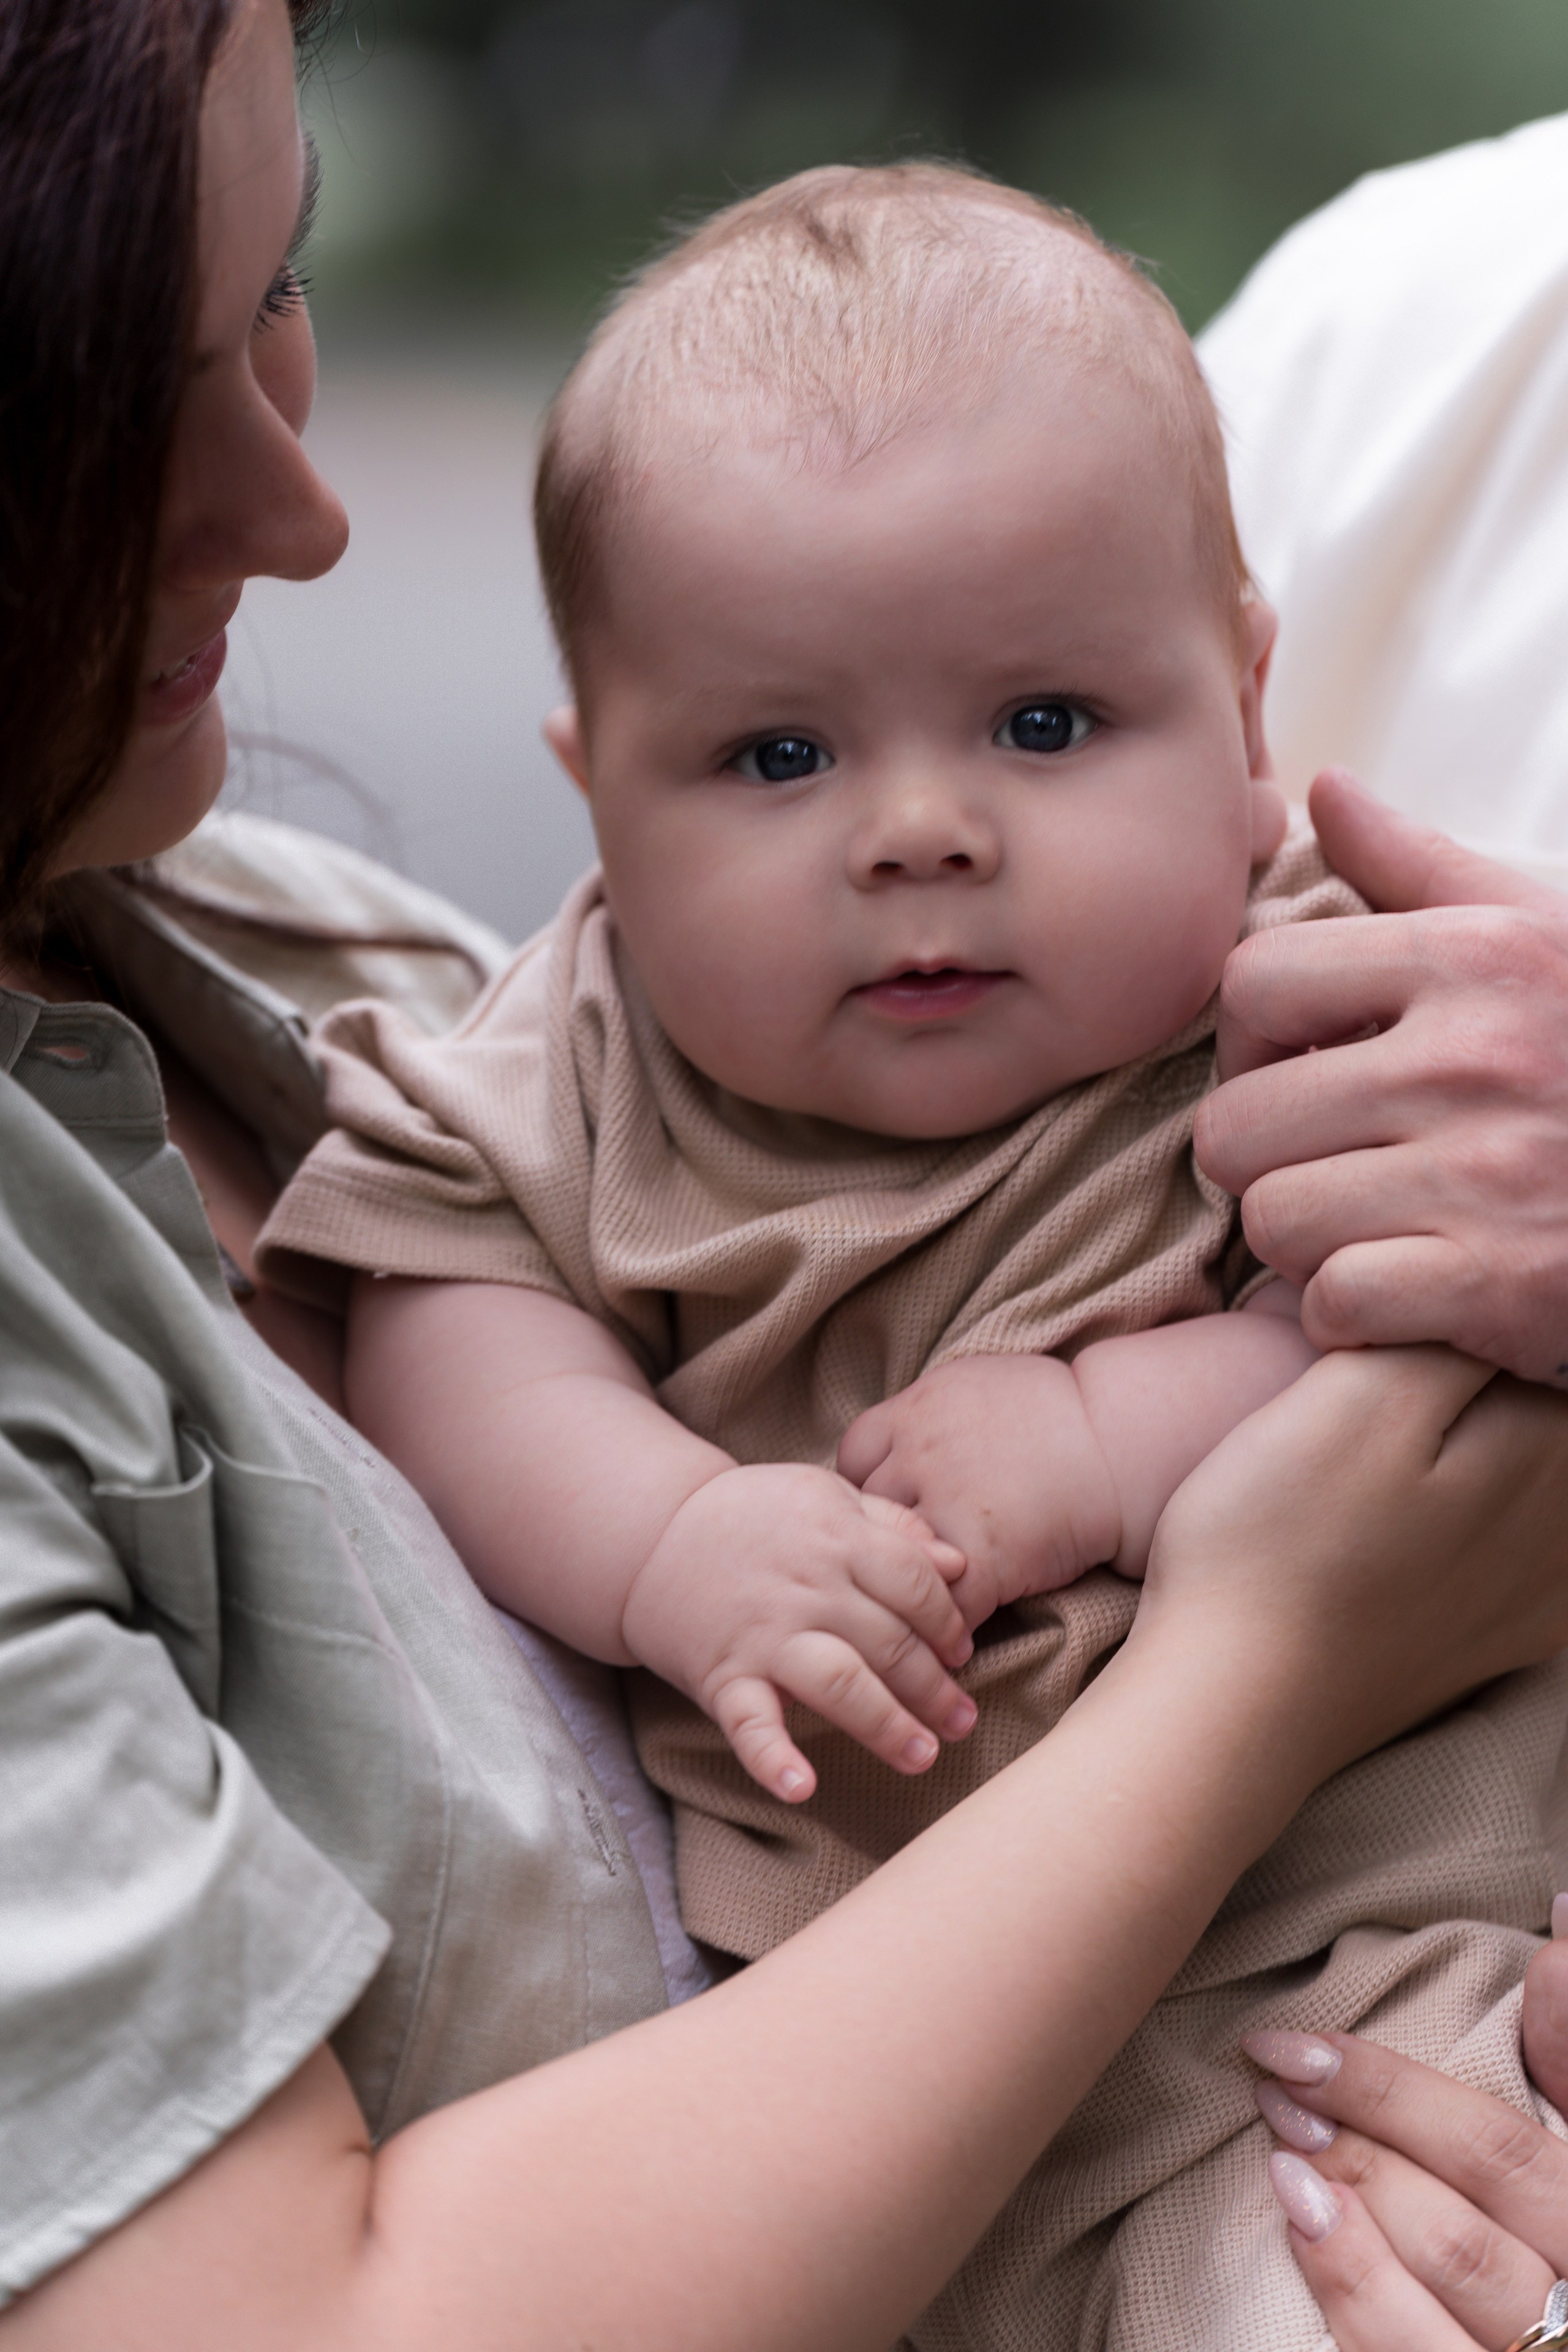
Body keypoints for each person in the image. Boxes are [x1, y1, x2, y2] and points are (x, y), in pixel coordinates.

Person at [3, 9, 1568, 2349]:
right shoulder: (586, 1042)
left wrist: (1103, 1434)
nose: (923, 827)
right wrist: (667, 1534)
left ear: (1253, 715)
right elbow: (456, 1296)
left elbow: (1416, 1317)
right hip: (916, 2093)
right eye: (773, 753)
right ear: (602, 804)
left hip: (1369, 1992)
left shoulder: (1299, 987)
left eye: (280, 294)